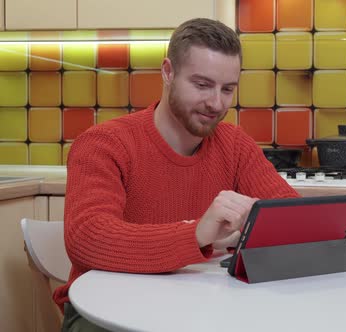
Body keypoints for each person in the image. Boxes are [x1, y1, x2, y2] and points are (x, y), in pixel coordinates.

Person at [55, 18, 300, 331]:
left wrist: (263, 220)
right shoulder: (104, 143)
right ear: (168, 72)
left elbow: (296, 221)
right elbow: (87, 238)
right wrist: (198, 234)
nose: (216, 103)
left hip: (201, 306)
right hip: (104, 310)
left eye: (227, 89)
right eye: (201, 85)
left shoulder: (235, 145)